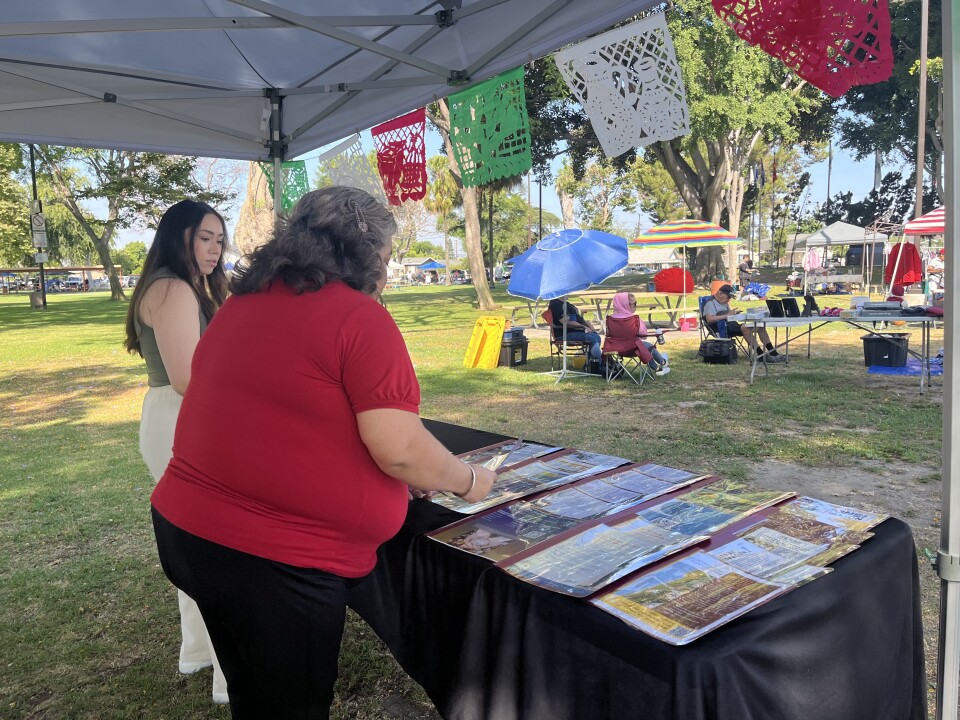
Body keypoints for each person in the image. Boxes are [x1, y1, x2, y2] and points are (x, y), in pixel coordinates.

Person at [149, 186, 495, 718]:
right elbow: (400, 449)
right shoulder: (358, 318)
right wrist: (469, 480)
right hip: (275, 564)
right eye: (383, 260)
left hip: (190, 535)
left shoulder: (244, 304)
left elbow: (286, 410)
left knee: (253, 687)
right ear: (365, 256)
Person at [123, 200, 229, 704]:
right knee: (214, 547)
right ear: (178, 236)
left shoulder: (183, 286)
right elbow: (190, 378)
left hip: (178, 418)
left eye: (218, 240)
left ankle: (200, 651)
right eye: (204, 238)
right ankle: (227, 669)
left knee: (197, 543)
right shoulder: (171, 287)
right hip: (182, 420)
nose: (214, 249)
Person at [702, 284, 782, 362]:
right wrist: (727, 315)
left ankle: (772, 352)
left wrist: (733, 313)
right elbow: (709, 319)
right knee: (745, 328)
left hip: (731, 324)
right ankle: (760, 354)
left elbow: (728, 314)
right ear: (720, 293)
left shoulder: (723, 301)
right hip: (721, 328)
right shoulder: (710, 303)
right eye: (728, 297)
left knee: (759, 326)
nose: (728, 300)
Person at [605, 292, 670, 376]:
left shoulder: (610, 319)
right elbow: (643, 335)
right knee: (648, 347)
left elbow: (608, 333)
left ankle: (659, 368)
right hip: (633, 348)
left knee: (644, 346)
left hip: (615, 349)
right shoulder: (634, 319)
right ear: (626, 305)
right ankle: (663, 363)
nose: (636, 306)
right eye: (634, 304)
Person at [548, 296, 602, 371]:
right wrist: (583, 327)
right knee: (592, 339)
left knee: (597, 337)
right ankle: (599, 364)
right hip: (564, 334)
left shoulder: (566, 304)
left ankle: (591, 364)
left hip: (575, 331)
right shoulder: (556, 304)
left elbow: (577, 318)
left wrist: (588, 325)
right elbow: (565, 322)